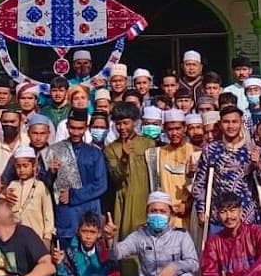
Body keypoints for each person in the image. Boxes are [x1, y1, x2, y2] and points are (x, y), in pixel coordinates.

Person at [191, 106, 261, 234]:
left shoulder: (252, 150)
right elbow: (200, 184)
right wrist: (201, 210)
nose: (230, 126)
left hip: (246, 217)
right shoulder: (210, 150)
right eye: (226, 122)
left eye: (234, 122)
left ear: (242, 123)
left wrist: (258, 165)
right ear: (220, 124)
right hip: (219, 217)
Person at [46, 112, 108, 243]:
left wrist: (73, 195)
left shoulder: (95, 153)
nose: (75, 132)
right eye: (72, 128)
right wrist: (51, 173)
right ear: (67, 126)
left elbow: (101, 185)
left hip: (89, 213)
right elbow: (46, 186)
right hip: (67, 216)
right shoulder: (55, 150)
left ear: (86, 128)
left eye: (80, 128)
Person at [104, 104, 155, 242]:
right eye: (118, 124)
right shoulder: (111, 149)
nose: (122, 127)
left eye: (126, 123)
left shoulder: (148, 144)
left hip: (146, 201)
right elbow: (116, 177)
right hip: (123, 203)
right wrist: (124, 158)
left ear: (135, 122)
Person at [148, 108, 198, 230]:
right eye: (170, 129)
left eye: (178, 128)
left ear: (185, 128)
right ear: (164, 129)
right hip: (164, 215)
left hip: (190, 213)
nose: (174, 133)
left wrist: (188, 204)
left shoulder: (196, 152)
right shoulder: (156, 154)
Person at [0, 108, 25, 185]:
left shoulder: (27, 142)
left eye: (12, 122)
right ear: (0, 122)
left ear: (21, 122)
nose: (9, 125)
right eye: (5, 122)